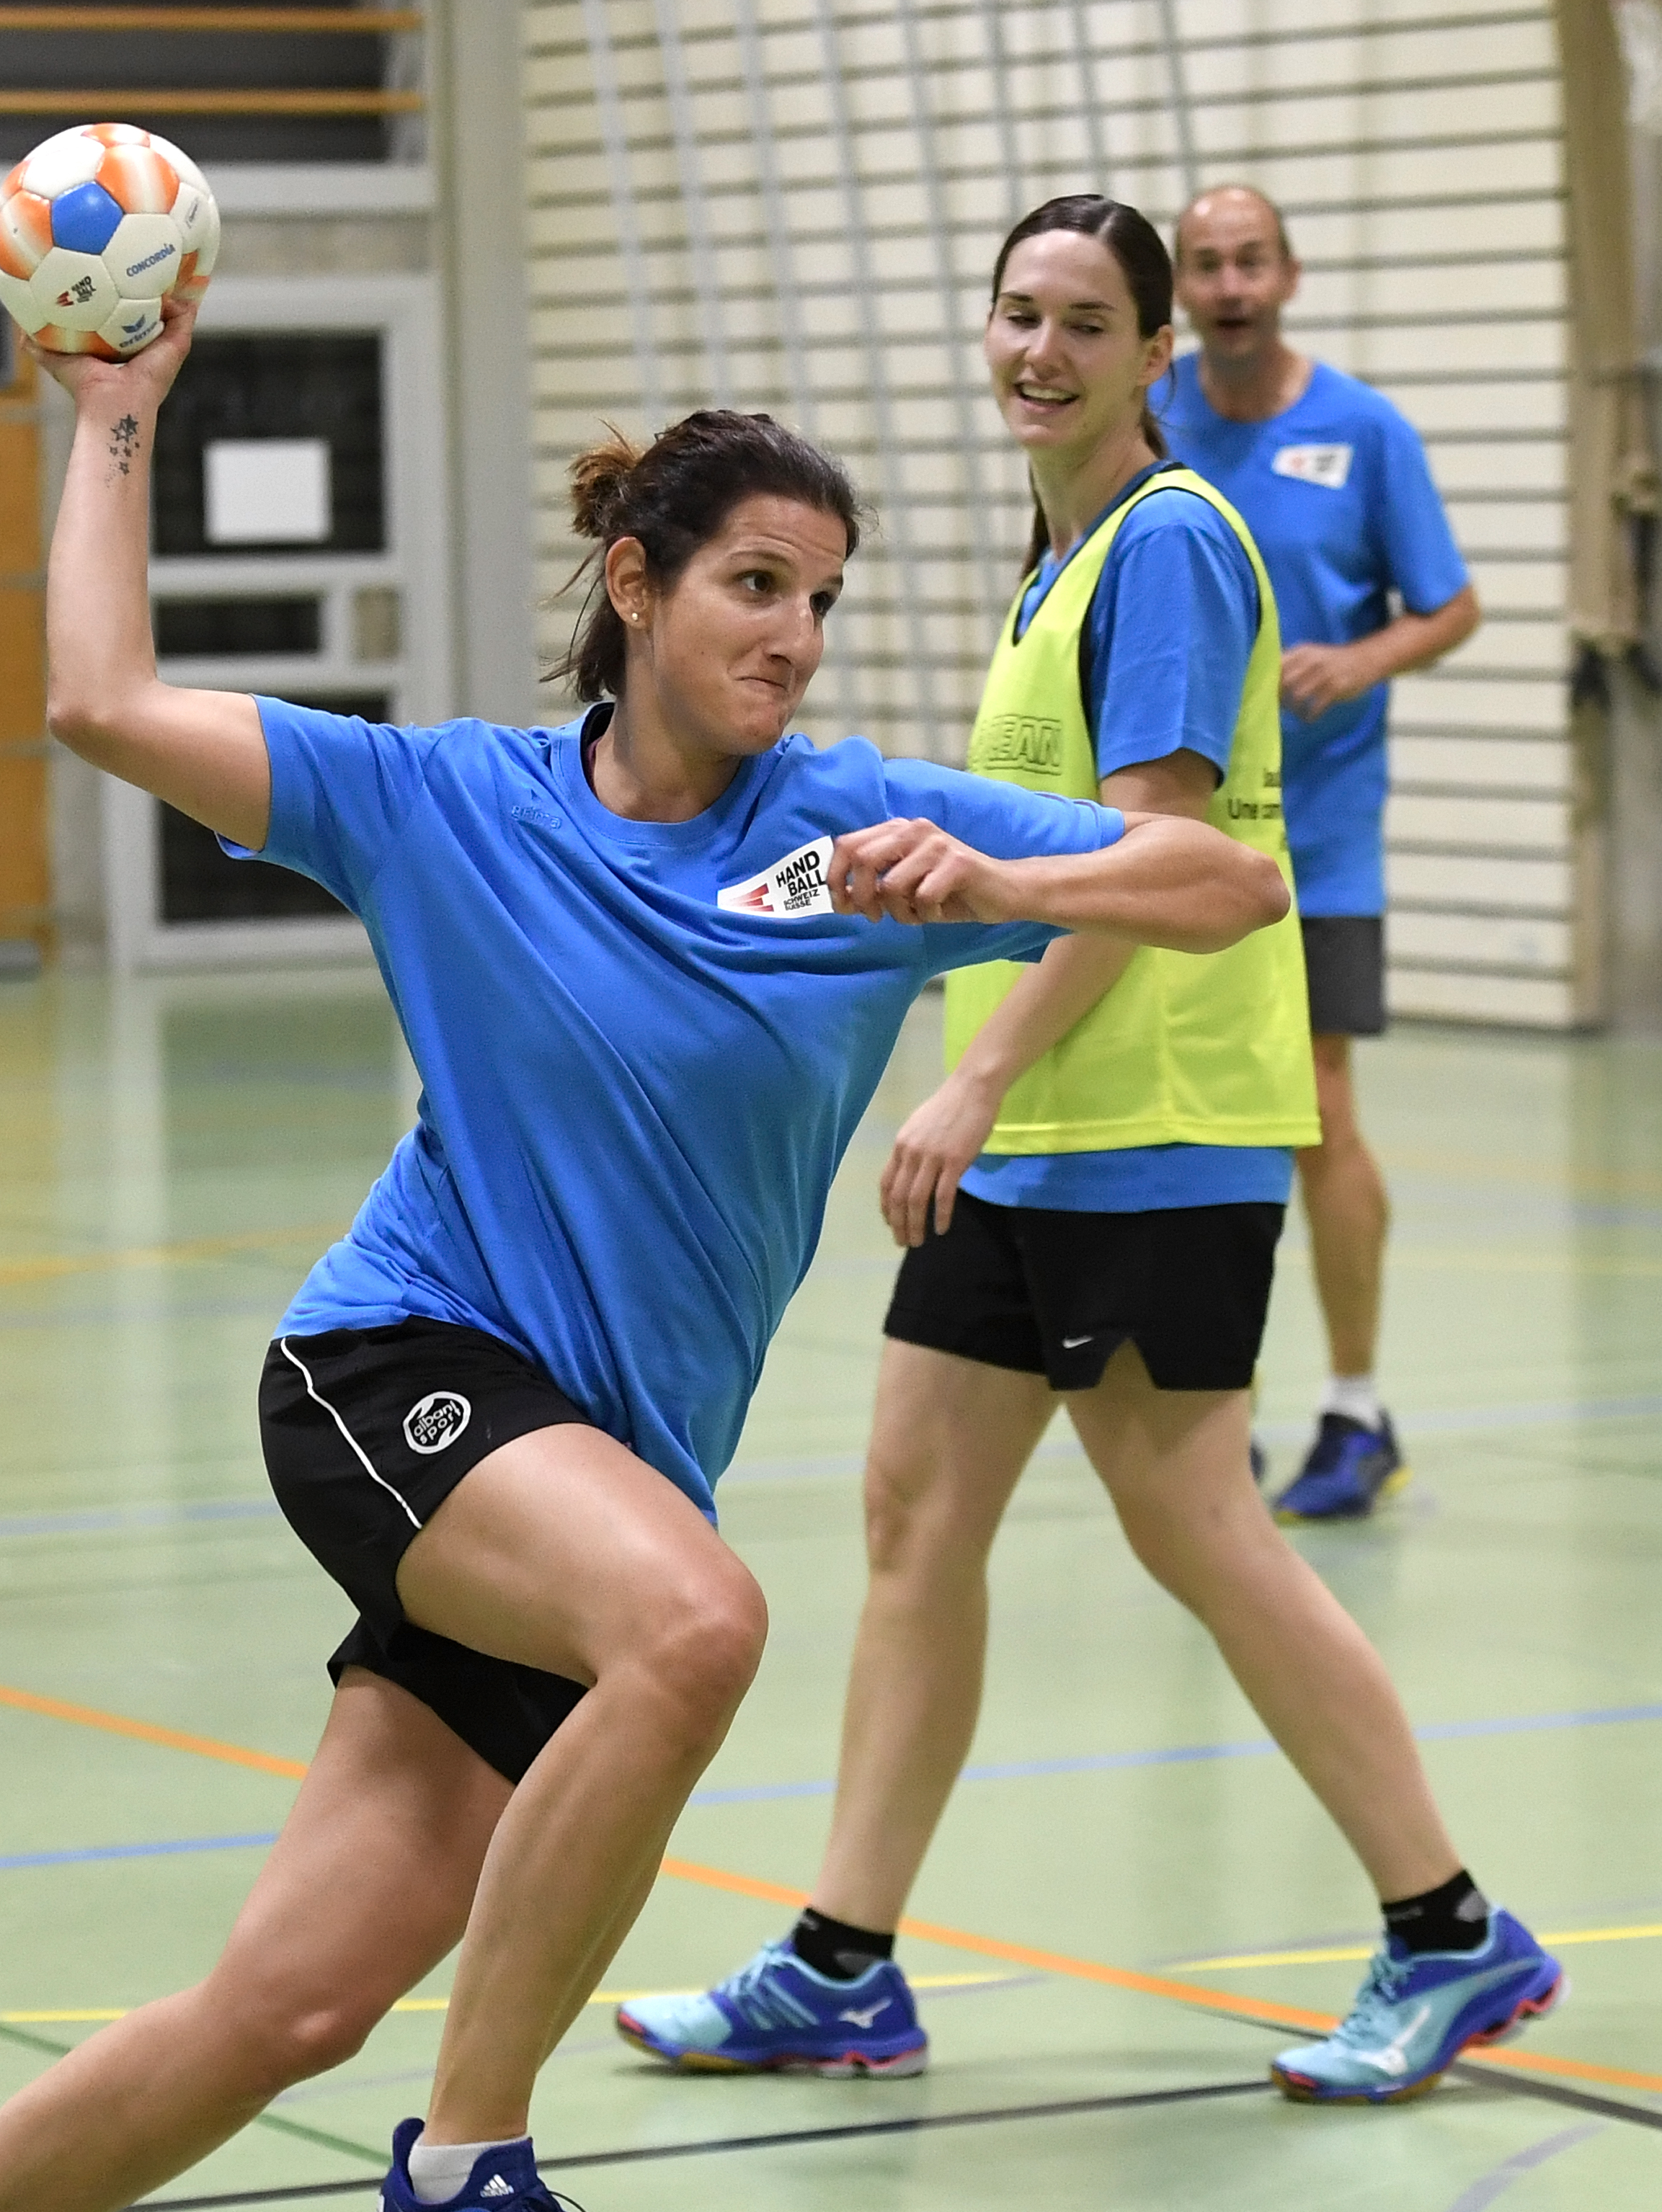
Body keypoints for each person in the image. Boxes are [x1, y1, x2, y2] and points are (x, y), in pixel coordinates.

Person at [0, 301, 1284, 2212]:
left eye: (823, 600)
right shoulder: (440, 804)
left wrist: (1008, 879)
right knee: (702, 1620)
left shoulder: (850, 838)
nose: (796, 637)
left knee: (278, 2000)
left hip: (579, 1490)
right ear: (631, 583)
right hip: (396, 1371)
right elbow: (92, 699)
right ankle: (462, 2179)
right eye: (753, 583)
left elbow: (1229, 879)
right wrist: (111, 418)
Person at [613, 195, 1557, 2111]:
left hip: (1152, 1128)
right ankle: (844, 1966)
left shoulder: (1173, 549)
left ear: (1150, 358)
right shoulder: (1059, 565)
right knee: (912, 1515)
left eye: (1081, 321)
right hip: (1038, 1135)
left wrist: (966, 1085)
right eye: (1014, 312)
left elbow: (1154, 873)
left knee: (1201, 1530)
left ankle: (1448, 1928)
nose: (1036, 348)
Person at [1156, 183, 1481, 1521]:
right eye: (1204, 265)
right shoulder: (1149, 417)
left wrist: (1360, 658)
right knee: (1179, 1119)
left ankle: (1354, 1409)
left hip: (1317, 843)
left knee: (1316, 1111)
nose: (1229, 285)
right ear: (1178, 289)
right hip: (1167, 829)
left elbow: (1451, 604)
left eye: (1250, 260)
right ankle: (1201, 1403)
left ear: (1286, 275)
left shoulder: (1360, 431)